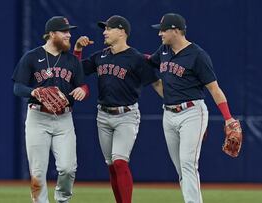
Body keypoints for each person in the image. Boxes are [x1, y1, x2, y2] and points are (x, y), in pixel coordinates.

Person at [73, 15, 163, 203]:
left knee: (120, 162)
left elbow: (156, 84)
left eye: (109, 28)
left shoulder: (136, 58)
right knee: (112, 166)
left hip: (126, 116)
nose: (104, 32)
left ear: (122, 32)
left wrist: (176, 104)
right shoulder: (101, 56)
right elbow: (75, 72)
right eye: (104, 29)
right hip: (103, 116)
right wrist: (77, 50)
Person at [148, 13, 236, 203]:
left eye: (163, 30)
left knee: (188, 163)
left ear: (176, 30)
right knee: (181, 168)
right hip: (168, 114)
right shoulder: (164, 50)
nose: (160, 34)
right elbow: (148, 62)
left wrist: (228, 118)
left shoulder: (197, 55)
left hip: (192, 113)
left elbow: (214, 89)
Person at [12, 16, 89, 203]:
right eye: (64, 31)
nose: (69, 35)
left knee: (68, 168)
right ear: (52, 34)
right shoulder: (31, 56)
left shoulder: (71, 60)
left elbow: (83, 86)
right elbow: (18, 87)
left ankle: (63, 199)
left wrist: (82, 90)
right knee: (37, 171)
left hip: (64, 119)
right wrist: (34, 91)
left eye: (69, 31)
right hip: (38, 118)